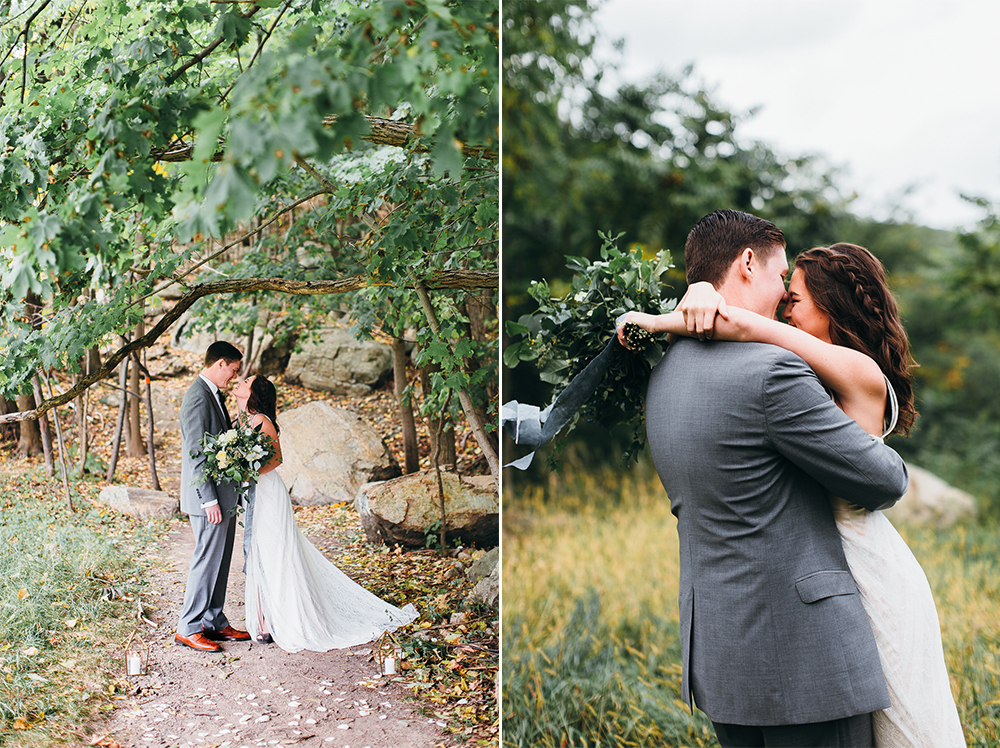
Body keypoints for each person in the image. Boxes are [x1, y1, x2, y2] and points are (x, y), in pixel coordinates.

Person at [621, 240, 965, 747]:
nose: (783, 306)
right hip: (821, 577)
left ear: (833, 307)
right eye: (783, 294)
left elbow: (742, 325)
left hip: (864, 571)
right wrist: (698, 292)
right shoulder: (789, 369)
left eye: (794, 299)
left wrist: (660, 319)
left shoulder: (853, 371)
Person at [231, 374, 418, 651]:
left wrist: (248, 471)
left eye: (246, 380)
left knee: (276, 551)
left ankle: (287, 620)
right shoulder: (243, 421)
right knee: (260, 551)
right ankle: (265, 619)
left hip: (268, 493)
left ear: (254, 392)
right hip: (255, 492)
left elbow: (276, 458)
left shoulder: (262, 421)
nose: (240, 381)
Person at [175, 341, 252, 652]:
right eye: (233, 370)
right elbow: (196, 454)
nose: (233, 377)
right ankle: (188, 627)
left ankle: (214, 621)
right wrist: (208, 500)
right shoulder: (197, 398)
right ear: (220, 363)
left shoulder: (212, 394)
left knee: (220, 562)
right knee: (206, 560)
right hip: (209, 499)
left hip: (224, 496)